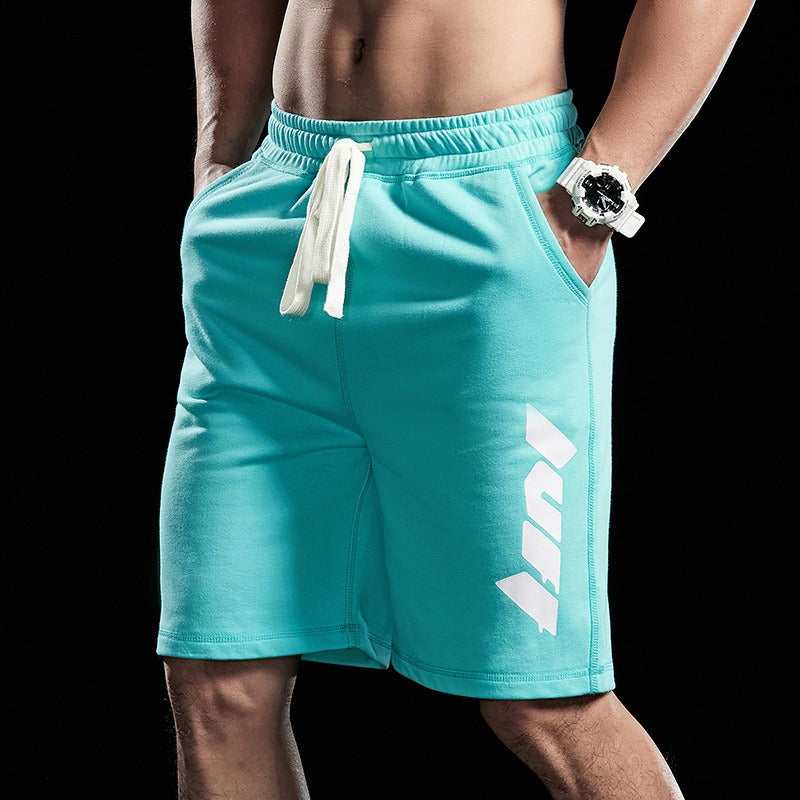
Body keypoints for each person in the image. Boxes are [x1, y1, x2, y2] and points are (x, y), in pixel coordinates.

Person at [157, 1, 754, 797]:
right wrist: (220, 163)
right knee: (218, 679)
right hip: (280, 220)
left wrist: (596, 192)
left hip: (488, 229)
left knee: (544, 701)